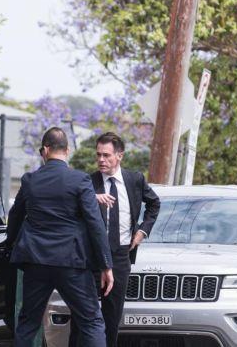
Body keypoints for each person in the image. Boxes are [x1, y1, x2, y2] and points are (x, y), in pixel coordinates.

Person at [7, 127, 114, 347]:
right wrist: (106, 265)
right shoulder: (80, 180)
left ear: (45, 150)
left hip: (36, 262)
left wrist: (11, 245)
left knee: (28, 322)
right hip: (71, 262)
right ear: (67, 150)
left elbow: (15, 215)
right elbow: (95, 224)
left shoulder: (30, 180)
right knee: (91, 321)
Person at [69, 132, 161, 347]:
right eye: (98, 155)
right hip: (90, 259)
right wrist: (92, 197)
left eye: (107, 155)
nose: (101, 160)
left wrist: (142, 231)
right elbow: (70, 205)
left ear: (120, 155)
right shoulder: (87, 182)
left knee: (112, 318)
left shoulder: (134, 180)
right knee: (81, 318)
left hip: (120, 256)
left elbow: (154, 204)